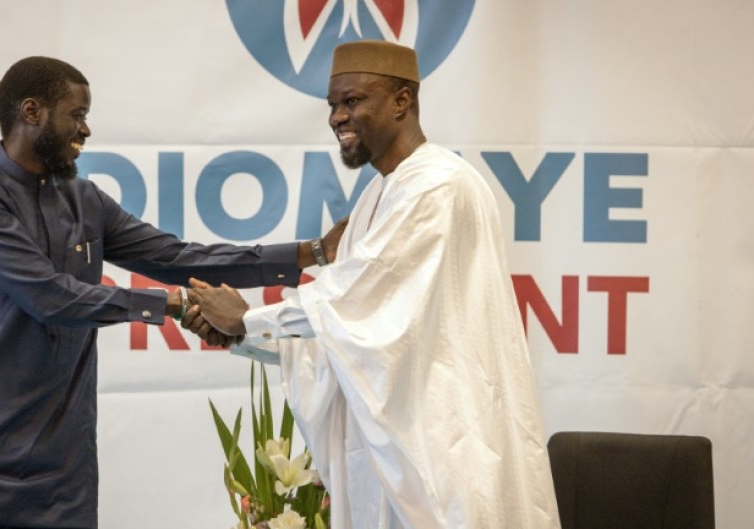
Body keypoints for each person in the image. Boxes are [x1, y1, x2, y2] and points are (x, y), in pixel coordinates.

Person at [0, 56, 346, 529]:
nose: (86, 129)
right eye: (76, 114)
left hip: (61, 481)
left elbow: (177, 258)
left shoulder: (82, 199)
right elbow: (49, 297)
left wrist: (310, 252)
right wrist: (173, 303)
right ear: (31, 112)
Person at [190, 41, 561, 529]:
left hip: (444, 453)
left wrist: (247, 317)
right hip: (394, 458)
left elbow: (348, 300)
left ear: (402, 101)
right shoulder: (377, 194)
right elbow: (349, 336)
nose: (337, 118)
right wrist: (245, 336)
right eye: (332, 106)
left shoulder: (437, 185)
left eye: (352, 101)